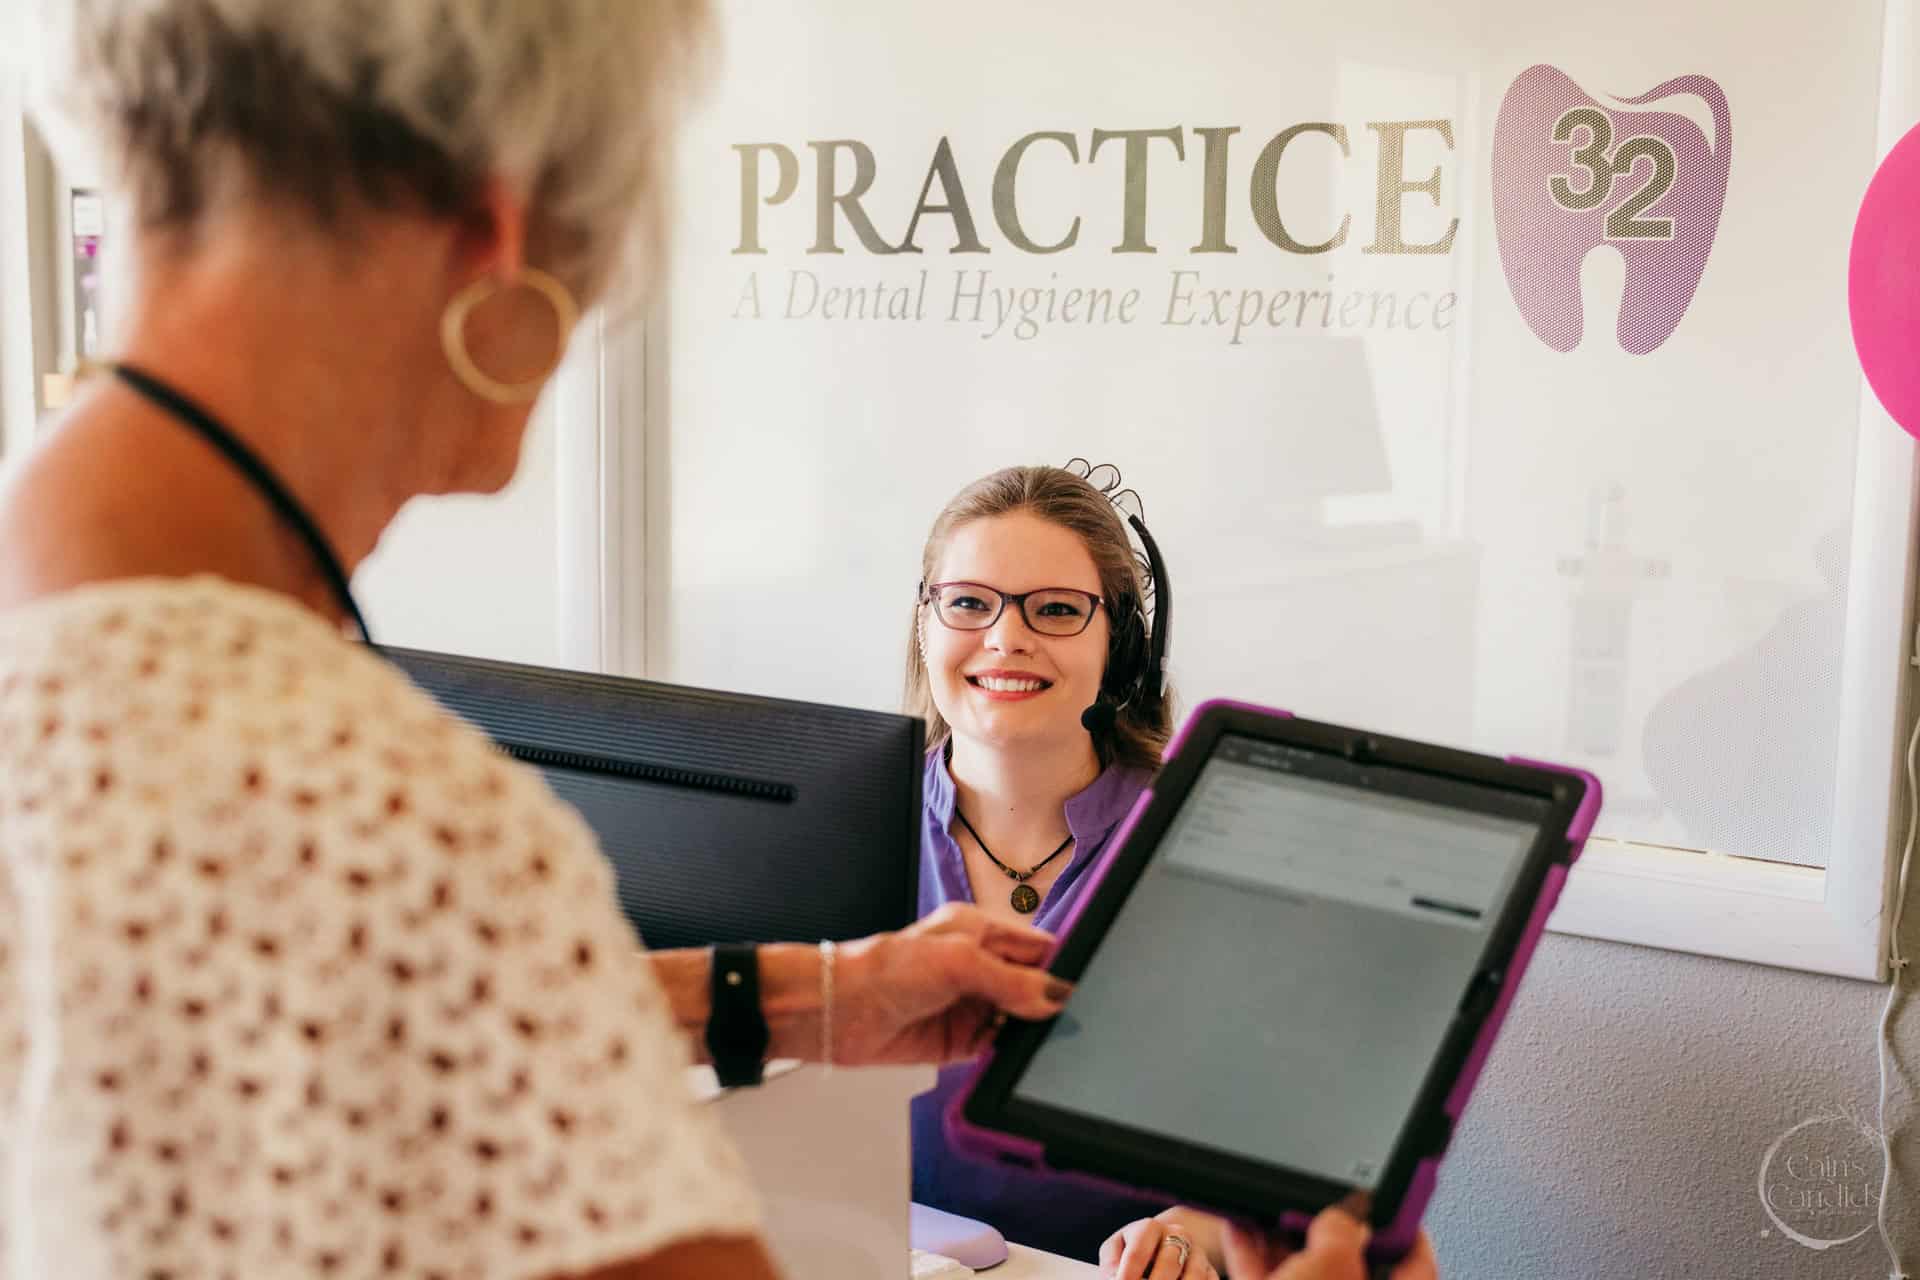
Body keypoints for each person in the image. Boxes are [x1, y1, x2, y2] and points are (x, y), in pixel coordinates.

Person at [0, 4, 1436, 1279]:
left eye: (1055, 608)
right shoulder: (392, 824)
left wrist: (814, 993)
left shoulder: (108, 690)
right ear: (503, 227)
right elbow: (415, 969)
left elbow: (392, 1008)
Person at [904, 465, 1436, 1280]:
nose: (1006, 638)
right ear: (926, 623)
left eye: (1054, 609)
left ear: (1120, 642)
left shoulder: (1215, 839)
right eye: (969, 603)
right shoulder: (849, 823)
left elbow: (1316, 1171)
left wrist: (1194, 1231)